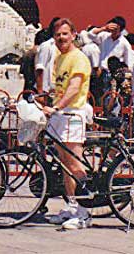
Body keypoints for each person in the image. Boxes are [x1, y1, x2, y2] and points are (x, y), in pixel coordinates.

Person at [42, 18, 93, 231]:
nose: (61, 38)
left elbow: (74, 89)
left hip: (72, 114)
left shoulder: (78, 58)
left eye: (65, 34)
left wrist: (56, 107)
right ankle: (72, 207)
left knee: (74, 163)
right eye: (57, 35)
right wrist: (45, 98)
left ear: (73, 34)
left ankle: (84, 212)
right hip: (61, 114)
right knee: (64, 165)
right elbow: (61, 88)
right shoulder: (60, 58)